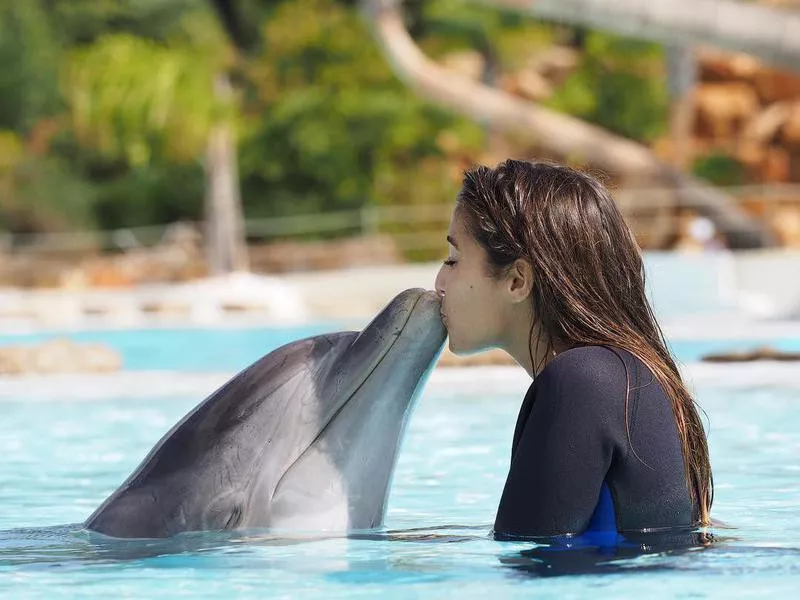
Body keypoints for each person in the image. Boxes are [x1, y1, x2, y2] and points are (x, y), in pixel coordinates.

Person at [434, 159, 713, 540]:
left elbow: (531, 564)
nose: (439, 282)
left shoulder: (582, 380)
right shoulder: (623, 374)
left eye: (453, 259)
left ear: (517, 281)